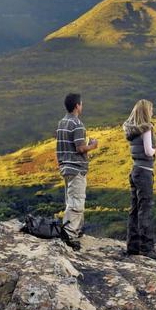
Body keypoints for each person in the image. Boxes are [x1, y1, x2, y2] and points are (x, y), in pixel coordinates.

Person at [123, 99, 156, 259]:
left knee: (134, 209)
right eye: (151, 110)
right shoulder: (146, 129)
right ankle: (147, 248)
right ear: (146, 112)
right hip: (144, 172)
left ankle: (132, 246)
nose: (153, 112)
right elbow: (149, 152)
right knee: (145, 209)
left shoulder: (132, 130)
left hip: (135, 169)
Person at [54, 93, 99, 250]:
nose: (82, 106)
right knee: (77, 202)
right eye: (81, 104)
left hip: (65, 167)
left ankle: (76, 229)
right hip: (76, 167)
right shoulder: (77, 124)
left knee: (70, 200)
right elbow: (80, 147)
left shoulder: (61, 123)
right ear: (77, 106)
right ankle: (70, 235)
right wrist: (92, 145)